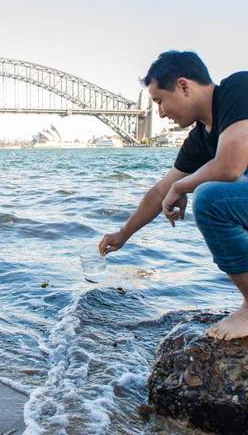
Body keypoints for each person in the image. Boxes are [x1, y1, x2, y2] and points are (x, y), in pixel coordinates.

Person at [98, 51, 248, 341]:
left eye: (159, 101)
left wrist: (182, 188)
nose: (161, 113)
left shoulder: (238, 89)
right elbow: (159, 191)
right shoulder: (200, 139)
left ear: (183, 85)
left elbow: (229, 167)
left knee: (211, 199)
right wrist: (123, 234)